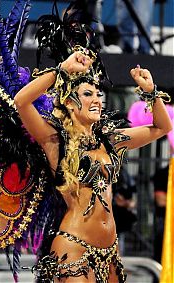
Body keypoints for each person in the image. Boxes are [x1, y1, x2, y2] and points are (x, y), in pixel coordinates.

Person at [14, 34, 172, 283]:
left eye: (99, 94)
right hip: (73, 248)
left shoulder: (110, 139)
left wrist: (151, 91)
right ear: (69, 102)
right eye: (88, 94)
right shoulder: (55, 140)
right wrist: (62, 70)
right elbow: (21, 102)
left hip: (110, 252)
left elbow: (162, 127)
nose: (98, 100)